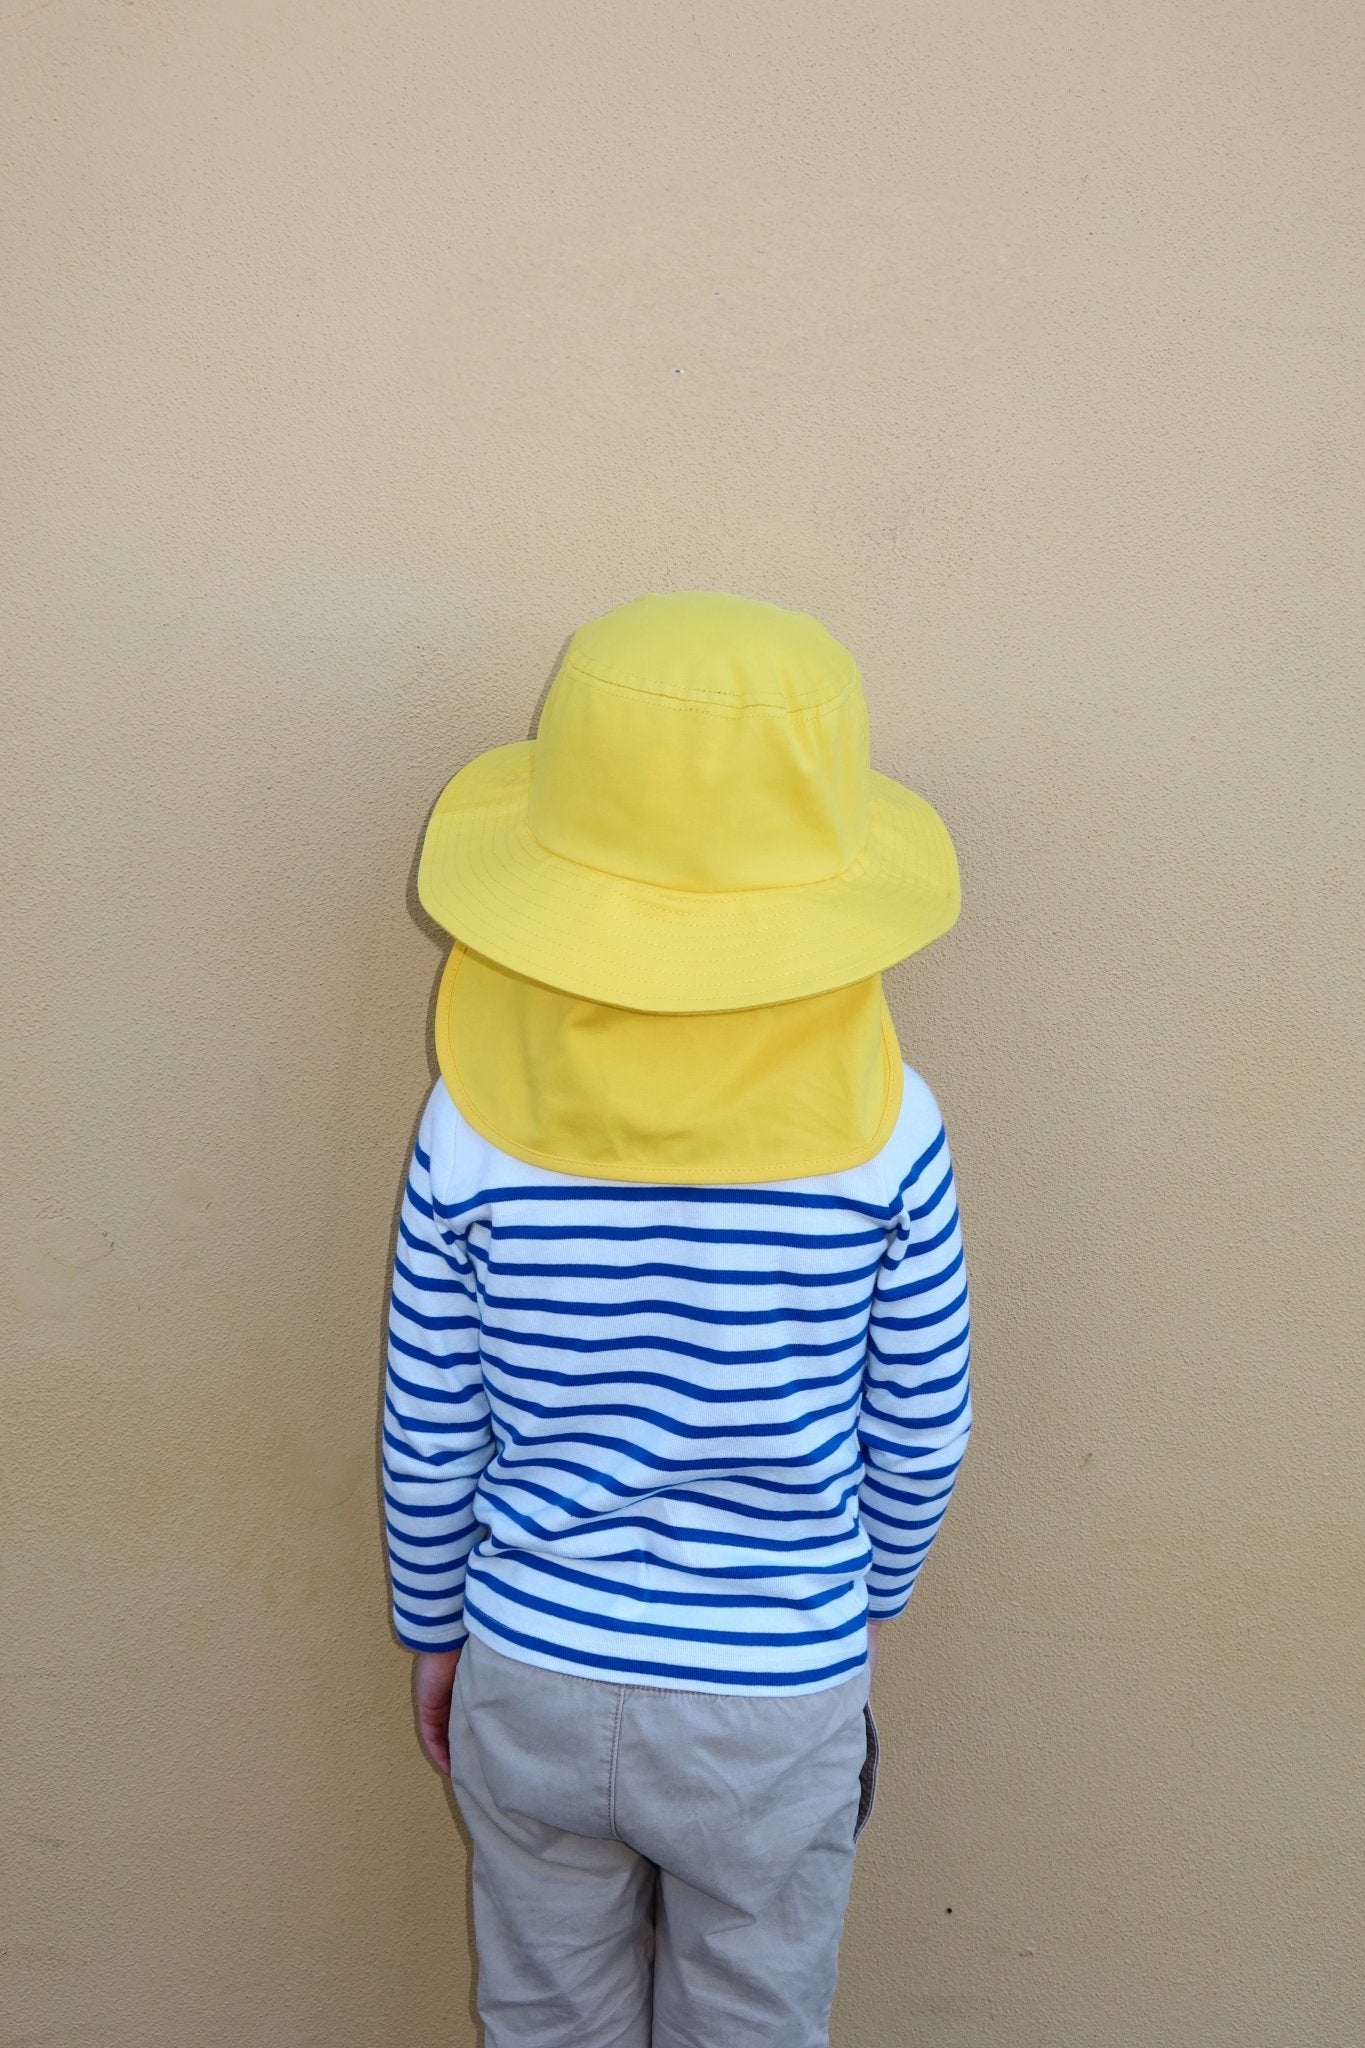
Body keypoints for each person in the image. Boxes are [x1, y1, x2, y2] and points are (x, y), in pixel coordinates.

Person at [381, 591, 973, 2048]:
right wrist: (869, 1591)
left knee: (545, 2013)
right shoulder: (887, 1134)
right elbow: (922, 1419)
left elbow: (429, 1418)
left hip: (531, 1656)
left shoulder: (474, 1126)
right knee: (755, 2020)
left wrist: (432, 1626)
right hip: (774, 1686)